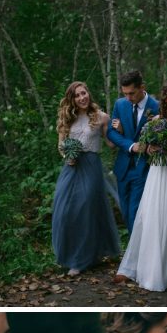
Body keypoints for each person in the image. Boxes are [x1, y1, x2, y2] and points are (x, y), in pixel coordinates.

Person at [113, 79, 167, 292]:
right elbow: (147, 147)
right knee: (153, 217)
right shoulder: (155, 121)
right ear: (166, 99)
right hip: (158, 174)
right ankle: (152, 269)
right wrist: (150, 149)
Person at [52, 81, 121, 276]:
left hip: (91, 167)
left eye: (84, 93)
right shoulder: (67, 119)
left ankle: (82, 260)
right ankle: (70, 255)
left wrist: (119, 129)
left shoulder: (101, 117)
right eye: (77, 95)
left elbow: (111, 144)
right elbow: (61, 145)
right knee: (64, 211)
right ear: (72, 99)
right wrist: (68, 156)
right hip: (71, 168)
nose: (82, 98)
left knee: (85, 209)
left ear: (88, 94)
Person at [107, 70, 161, 234]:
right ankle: (135, 250)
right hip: (123, 167)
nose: (128, 98)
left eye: (132, 93)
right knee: (125, 211)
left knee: (136, 210)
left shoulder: (157, 106)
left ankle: (136, 254)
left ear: (142, 87)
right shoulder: (120, 104)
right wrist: (131, 145)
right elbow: (111, 132)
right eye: (125, 94)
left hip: (144, 167)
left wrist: (147, 145)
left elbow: (162, 134)